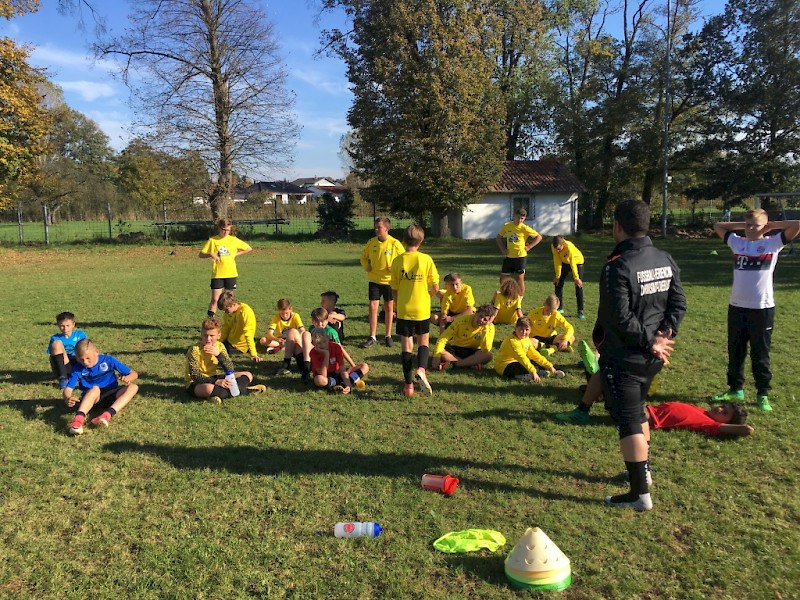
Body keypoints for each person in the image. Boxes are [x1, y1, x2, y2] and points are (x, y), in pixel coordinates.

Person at [595, 199, 686, 512]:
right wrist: (663, 335)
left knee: (629, 421)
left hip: (627, 355)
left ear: (618, 226)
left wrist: (652, 341)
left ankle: (639, 494)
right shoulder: (664, 257)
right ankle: (642, 472)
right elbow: (678, 304)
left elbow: (619, 318)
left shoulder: (617, 266)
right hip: (652, 357)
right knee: (639, 410)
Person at [711, 209, 800, 412]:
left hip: (762, 308)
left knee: (760, 353)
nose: (751, 228)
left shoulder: (772, 243)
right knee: (736, 350)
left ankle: (762, 393)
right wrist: (744, 226)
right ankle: (735, 389)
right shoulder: (737, 243)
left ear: (765, 226)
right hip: (737, 306)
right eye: (748, 224)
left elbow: (797, 225)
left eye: (756, 225)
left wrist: (771, 226)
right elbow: (718, 226)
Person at [391, 223, 439, 397]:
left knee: (406, 347)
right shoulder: (426, 259)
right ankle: (421, 369)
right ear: (421, 241)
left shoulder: (397, 261)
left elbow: (394, 288)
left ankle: (408, 385)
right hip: (422, 308)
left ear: (404, 240)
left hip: (404, 308)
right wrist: (427, 296)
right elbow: (435, 286)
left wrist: (396, 305)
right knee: (423, 341)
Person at [63, 339, 139, 436]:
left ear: (97, 352)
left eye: (88, 358)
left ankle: (106, 415)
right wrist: (68, 398)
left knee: (133, 387)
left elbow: (134, 374)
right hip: (92, 399)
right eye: (81, 359)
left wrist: (128, 377)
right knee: (95, 388)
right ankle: (78, 421)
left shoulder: (108, 360)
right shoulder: (77, 369)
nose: (85, 362)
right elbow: (68, 389)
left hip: (111, 394)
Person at [185, 317, 266, 404]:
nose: (208, 339)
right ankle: (245, 390)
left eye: (212, 336)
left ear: (218, 335)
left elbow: (230, 369)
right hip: (197, 383)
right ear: (201, 334)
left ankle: (219, 394)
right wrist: (216, 382)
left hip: (213, 377)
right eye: (205, 335)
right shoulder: (195, 350)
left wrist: (219, 355)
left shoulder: (220, 346)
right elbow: (195, 375)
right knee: (208, 388)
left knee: (248, 375)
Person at [360, 217, 405, 348]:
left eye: (379, 227)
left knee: (389, 308)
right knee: (373, 306)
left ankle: (388, 336)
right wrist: (366, 266)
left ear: (387, 228)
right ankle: (372, 336)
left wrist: (395, 267)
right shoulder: (371, 242)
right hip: (374, 280)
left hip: (389, 282)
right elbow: (363, 257)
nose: (376, 229)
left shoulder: (395, 243)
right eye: (375, 227)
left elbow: (404, 260)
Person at [198, 218, 253, 318]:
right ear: (219, 228)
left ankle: (229, 321)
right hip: (218, 274)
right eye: (223, 230)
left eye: (228, 230)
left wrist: (236, 254)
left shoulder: (233, 240)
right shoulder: (213, 240)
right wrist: (210, 254)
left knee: (228, 301)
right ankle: (211, 321)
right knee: (215, 299)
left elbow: (248, 248)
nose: (225, 232)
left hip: (231, 273)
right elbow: (201, 254)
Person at [494, 317, 565, 381]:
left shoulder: (525, 338)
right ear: (515, 328)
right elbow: (522, 358)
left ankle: (547, 371)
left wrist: (549, 365)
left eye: (527, 329)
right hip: (505, 365)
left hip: (518, 361)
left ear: (530, 330)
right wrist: (533, 371)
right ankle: (526, 375)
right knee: (522, 366)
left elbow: (533, 353)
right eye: (521, 329)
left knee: (535, 361)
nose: (524, 332)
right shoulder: (512, 342)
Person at [431, 304, 497, 371]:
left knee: (488, 355)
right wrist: (436, 357)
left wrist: (486, 327)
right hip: (456, 349)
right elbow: (443, 338)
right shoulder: (461, 320)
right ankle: (470, 364)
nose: (481, 320)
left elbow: (486, 349)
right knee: (440, 352)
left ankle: (456, 364)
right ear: (476, 313)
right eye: (480, 316)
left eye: (485, 319)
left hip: (474, 351)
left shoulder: (489, 328)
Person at [495, 207, 542, 298]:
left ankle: (519, 299)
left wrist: (529, 247)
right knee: (503, 279)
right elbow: (498, 238)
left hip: (520, 257)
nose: (519, 220)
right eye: (518, 217)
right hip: (509, 256)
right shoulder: (507, 226)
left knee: (519, 279)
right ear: (514, 216)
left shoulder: (524, 228)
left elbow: (538, 237)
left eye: (522, 219)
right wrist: (503, 249)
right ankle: (505, 296)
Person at [309, 327, 369, 394]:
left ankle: (343, 384)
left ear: (328, 338)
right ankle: (338, 384)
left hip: (338, 373)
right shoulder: (313, 353)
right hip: (326, 377)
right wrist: (326, 355)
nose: (323, 345)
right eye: (319, 343)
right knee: (319, 380)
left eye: (324, 341)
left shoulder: (336, 347)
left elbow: (342, 368)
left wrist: (348, 385)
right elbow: (323, 374)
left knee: (364, 366)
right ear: (313, 343)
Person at [260, 299, 308, 378]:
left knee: (293, 333)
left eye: (286, 313)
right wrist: (277, 339)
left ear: (290, 309)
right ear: (278, 311)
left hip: (292, 340)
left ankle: (284, 350)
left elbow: (302, 331)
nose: (285, 315)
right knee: (263, 340)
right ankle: (284, 347)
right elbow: (269, 334)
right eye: (282, 313)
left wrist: (294, 337)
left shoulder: (295, 316)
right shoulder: (276, 317)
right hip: (281, 340)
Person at [47, 311, 88, 389]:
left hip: (78, 361)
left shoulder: (80, 335)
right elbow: (52, 355)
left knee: (84, 347)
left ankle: (83, 374)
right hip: (63, 363)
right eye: (62, 326)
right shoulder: (55, 338)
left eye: (67, 325)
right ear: (58, 325)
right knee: (57, 343)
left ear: (73, 324)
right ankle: (63, 377)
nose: (65, 328)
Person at [218, 291, 260, 364]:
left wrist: (253, 354)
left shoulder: (245, 312)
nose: (225, 312)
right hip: (229, 341)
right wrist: (218, 341)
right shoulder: (228, 313)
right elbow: (225, 329)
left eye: (226, 310)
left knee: (218, 353)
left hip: (239, 346)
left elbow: (248, 334)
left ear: (233, 304)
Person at [551, 236, 586, 319]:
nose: (557, 251)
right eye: (556, 249)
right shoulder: (553, 247)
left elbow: (572, 263)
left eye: (559, 249)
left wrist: (576, 278)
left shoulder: (569, 247)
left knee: (578, 285)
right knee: (558, 283)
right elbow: (557, 261)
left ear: (563, 244)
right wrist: (557, 276)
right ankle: (559, 308)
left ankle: (580, 311)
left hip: (577, 262)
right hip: (565, 262)